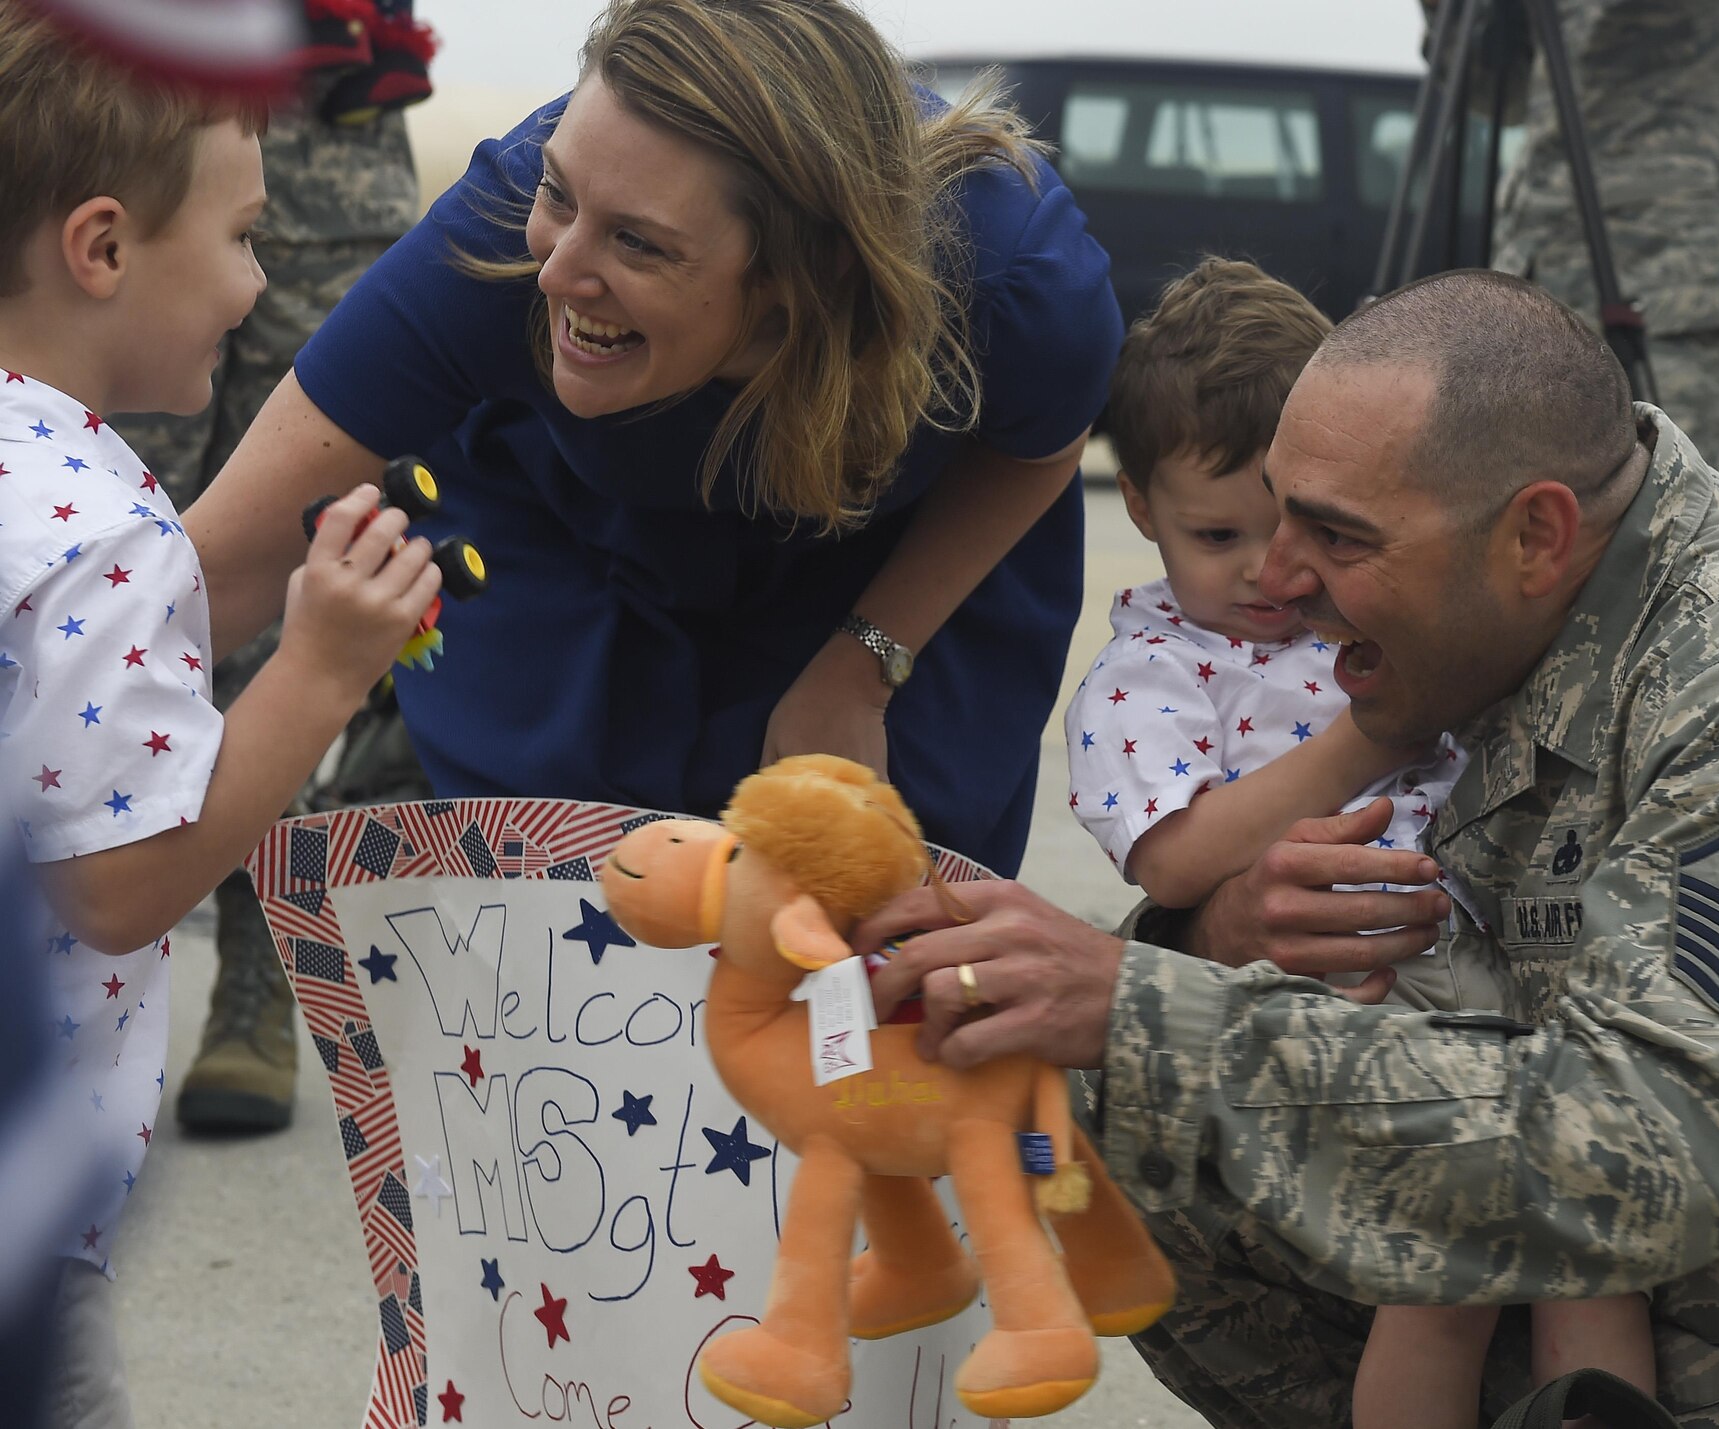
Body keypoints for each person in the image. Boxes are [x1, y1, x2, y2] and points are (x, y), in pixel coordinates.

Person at [859, 269, 1719, 1425]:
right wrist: (1213, 932)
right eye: (1273, 510)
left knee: (1146, 1053)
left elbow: (1656, 1155)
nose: (1283, 579)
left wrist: (1141, 1008)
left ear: (1535, 534)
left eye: (1336, 536)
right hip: (1568, 1308)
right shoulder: (1467, 615)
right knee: (1094, 1106)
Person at [177, 0, 1122, 878]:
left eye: (639, 244)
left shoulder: (1014, 276)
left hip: (888, 555)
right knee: (573, 893)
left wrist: (865, 661)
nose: (559, 274)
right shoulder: (503, 231)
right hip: (566, 528)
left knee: (858, 880)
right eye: (561, 195)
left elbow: (1038, 446)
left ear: (813, 268)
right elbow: (219, 569)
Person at [1067, 257, 1652, 1427]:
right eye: (1219, 533)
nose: (1269, 571)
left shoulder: (1372, 598)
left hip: (1498, 963)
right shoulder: (1158, 670)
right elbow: (1174, 862)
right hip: (1351, 997)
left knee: (1599, 1246)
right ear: (1138, 508)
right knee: (1442, 1276)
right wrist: (1368, 736)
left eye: (1304, 525)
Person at [0, 12, 442, 1420]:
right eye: (245, 237)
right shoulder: (96, 529)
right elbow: (119, 883)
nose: (259, 285)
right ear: (106, 248)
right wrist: (318, 665)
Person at [115, 0, 435, 1134]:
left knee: (299, 566)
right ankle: (81, 966)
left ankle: (255, 979)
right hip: (118, 139)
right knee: (111, 567)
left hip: (324, 162)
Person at [1486, 0, 1719, 465]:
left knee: (1663, 515)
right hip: (1536, 271)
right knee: (1518, 510)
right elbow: (1501, 90)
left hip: (1664, 271)